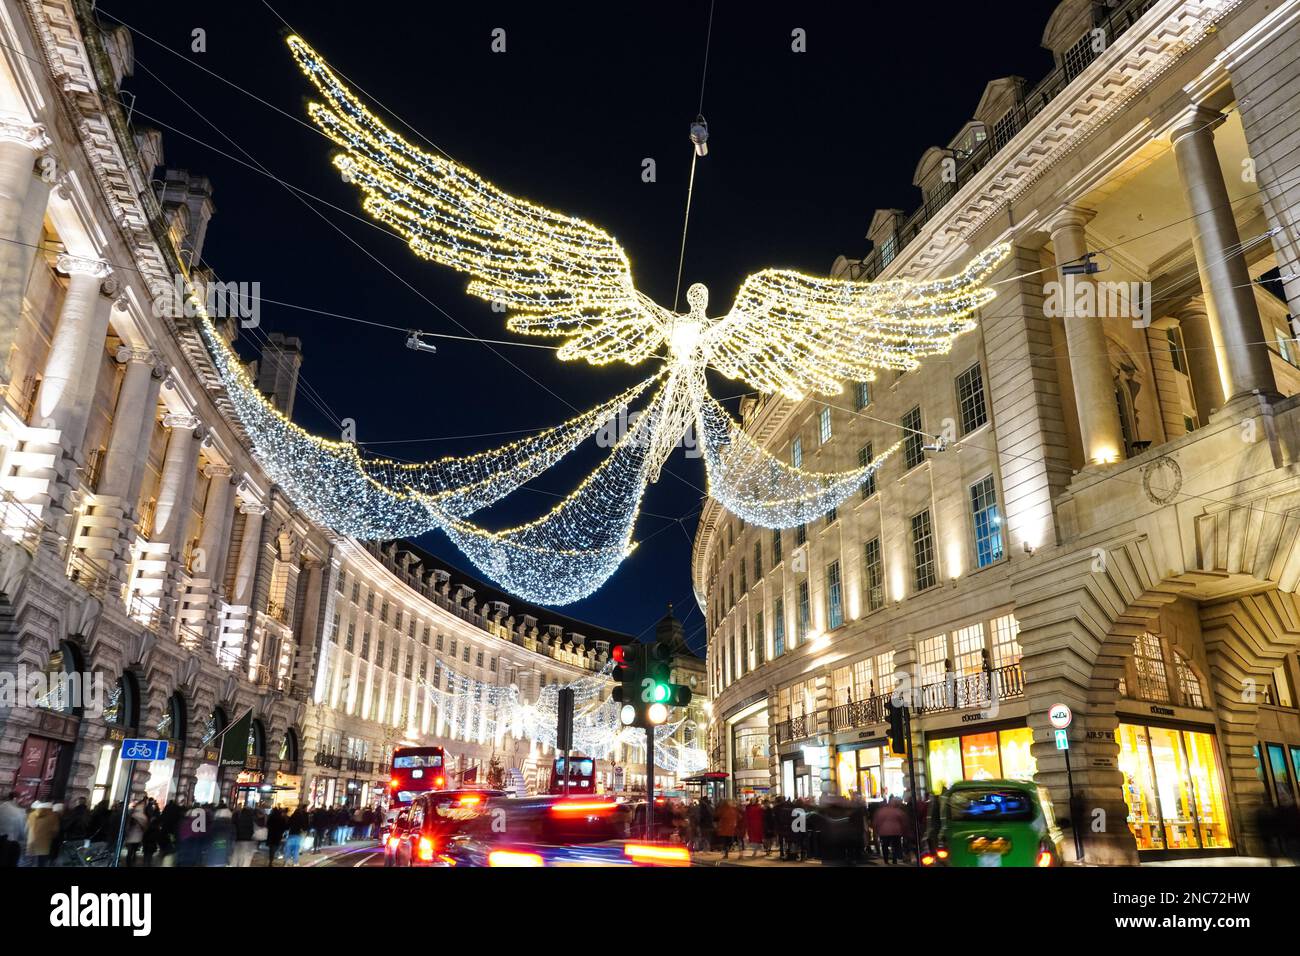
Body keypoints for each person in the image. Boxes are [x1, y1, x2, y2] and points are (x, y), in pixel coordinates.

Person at [873, 797, 908, 864]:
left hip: (883, 832)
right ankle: (894, 859)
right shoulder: (898, 811)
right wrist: (904, 830)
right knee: (895, 846)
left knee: (884, 846)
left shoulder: (880, 811)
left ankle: (886, 860)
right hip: (896, 832)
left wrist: (876, 830)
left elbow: (876, 822)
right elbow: (904, 822)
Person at [25, 801, 60, 867]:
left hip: (31, 842)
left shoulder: (32, 814)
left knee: (29, 862)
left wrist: (28, 838)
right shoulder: (54, 816)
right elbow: (55, 831)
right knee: (41, 863)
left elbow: (26, 828)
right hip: (44, 844)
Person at [123, 799, 147, 867]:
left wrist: (126, 833)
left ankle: (128, 863)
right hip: (138, 837)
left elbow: (127, 826)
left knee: (129, 852)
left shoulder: (132, 816)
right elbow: (145, 828)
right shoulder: (144, 817)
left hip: (131, 836)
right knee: (134, 850)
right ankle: (133, 859)